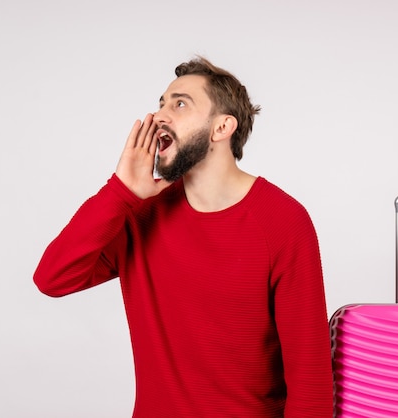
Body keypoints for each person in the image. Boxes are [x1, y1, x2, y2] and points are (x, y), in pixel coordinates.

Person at [33, 56, 333, 417]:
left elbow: (310, 380)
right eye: (160, 103)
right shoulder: (141, 213)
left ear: (221, 127)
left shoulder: (283, 221)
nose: (160, 115)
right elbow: (52, 278)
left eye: (179, 104)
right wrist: (120, 192)